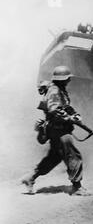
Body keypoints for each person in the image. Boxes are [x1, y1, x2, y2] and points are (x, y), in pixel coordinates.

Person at [21, 66, 89, 196]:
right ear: (63, 79)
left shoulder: (59, 90)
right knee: (73, 156)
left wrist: (74, 114)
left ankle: (30, 177)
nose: (69, 80)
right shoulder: (54, 90)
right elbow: (53, 109)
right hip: (59, 130)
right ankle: (77, 187)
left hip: (57, 129)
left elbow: (64, 107)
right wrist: (69, 118)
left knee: (54, 157)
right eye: (68, 78)